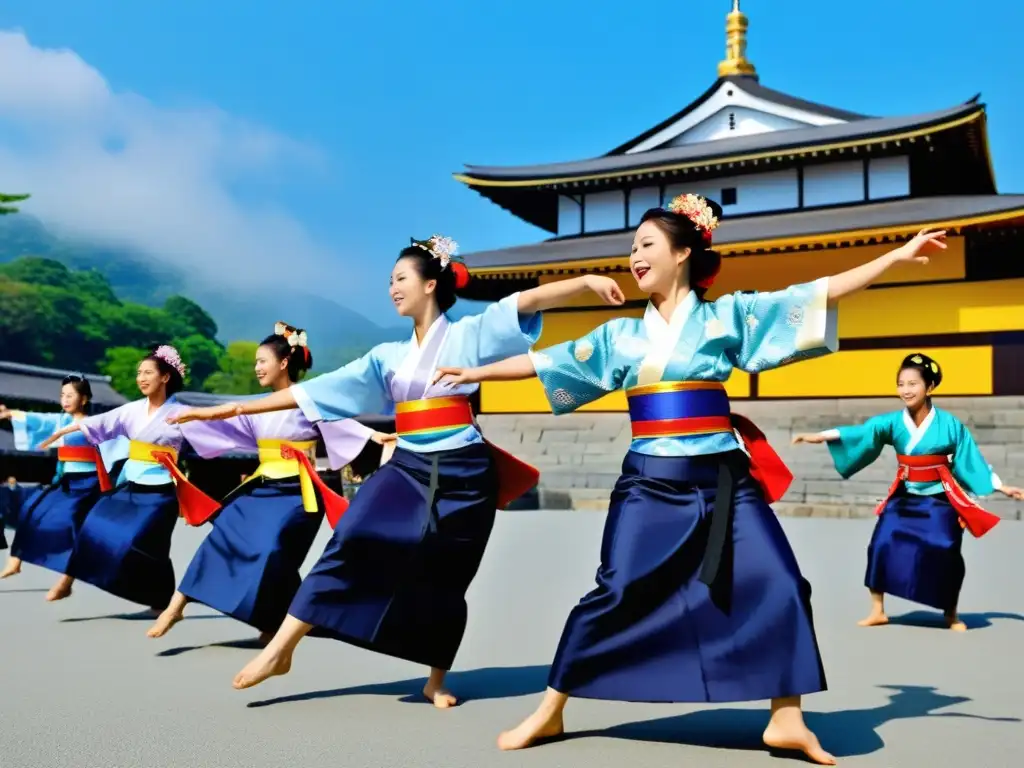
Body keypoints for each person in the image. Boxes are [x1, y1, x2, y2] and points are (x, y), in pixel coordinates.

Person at [433, 195, 946, 765]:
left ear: (682, 253)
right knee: (618, 590)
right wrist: (476, 371)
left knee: (779, 580)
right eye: (631, 248)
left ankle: (787, 718)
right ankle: (551, 709)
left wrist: (895, 259)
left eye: (646, 244)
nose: (634, 256)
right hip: (651, 483)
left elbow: (817, 293)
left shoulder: (728, 317)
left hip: (726, 481)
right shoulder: (620, 337)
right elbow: (548, 362)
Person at [170, 234, 625, 707]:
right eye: (389, 280)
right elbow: (315, 392)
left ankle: (436, 678)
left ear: (430, 284)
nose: (392, 287)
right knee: (351, 538)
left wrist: (586, 281)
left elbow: (525, 300)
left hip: (465, 469)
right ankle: (282, 648)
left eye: (400, 278)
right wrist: (222, 412)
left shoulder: (470, 334)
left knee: (448, 571)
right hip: (408, 463)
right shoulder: (386, 356)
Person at [147, 323, 392, 642]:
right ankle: (177, 606)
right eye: (256, 362)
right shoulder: (257, 407)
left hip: (298, 493)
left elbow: (339, 424)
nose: (257, 367)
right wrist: (187, 422)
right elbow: (223, 424)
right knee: (221, 537)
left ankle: (273, 622)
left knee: (274, 554)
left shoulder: (308, 400)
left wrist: (373, 434)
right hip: (261, 488)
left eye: (262, 360)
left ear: (284, 362)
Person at [792, 353, 1024, 631]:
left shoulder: (950, 425)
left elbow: (968, 459)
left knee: (946, 549)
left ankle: (950, 612)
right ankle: (878, 609)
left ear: (930, 387)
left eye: (912, 384)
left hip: (940, 497)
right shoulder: (892, 422)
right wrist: (821, 436)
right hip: (905, 495)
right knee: (882, 542)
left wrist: (1000, 486)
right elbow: (863, 432)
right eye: (901, 384)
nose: (905, 390)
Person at [39, 345, 219, 611]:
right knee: (92, 526)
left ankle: (161, 603)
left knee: (151, 548)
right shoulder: (132, 410)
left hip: (161, 491)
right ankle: (67, 581)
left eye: (148, 372)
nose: (141, 378)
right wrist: (60, 432)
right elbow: (97, 423)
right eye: (139, 373)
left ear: (165, 377)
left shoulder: (181, 413)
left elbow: (213, 436)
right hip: (130, 484)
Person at [0, 375, 119, 601]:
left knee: (74, 532)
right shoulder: (62, 422)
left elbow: (117, 448)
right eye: (62, 395)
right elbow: (39, 420)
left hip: (88, 483)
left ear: (84, 399)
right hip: (67, 480)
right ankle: (16, 561)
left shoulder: (96, 425)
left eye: (70, 395)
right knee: (32, 510)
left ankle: (66, 581)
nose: (64, 400)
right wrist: (10, 414)